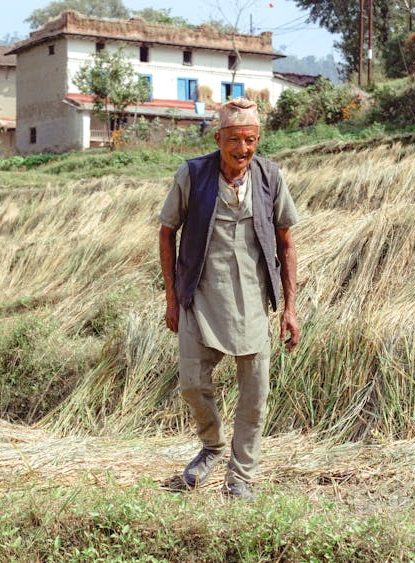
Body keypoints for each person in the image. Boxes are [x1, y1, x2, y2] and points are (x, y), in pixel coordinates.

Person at [157, 97, 300, 500]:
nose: (243, 149)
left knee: (255, 396)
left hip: (252, 302)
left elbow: (287, 243)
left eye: (251, 140)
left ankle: (240, 478)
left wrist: (290, 308)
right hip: (199, 299)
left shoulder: (270, 177)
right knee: (191, 384)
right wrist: (171, 298)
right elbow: (166, 232)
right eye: (234, 139)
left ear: (258, 139)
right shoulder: (193, 174)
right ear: (218, 138)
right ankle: (212, 445)